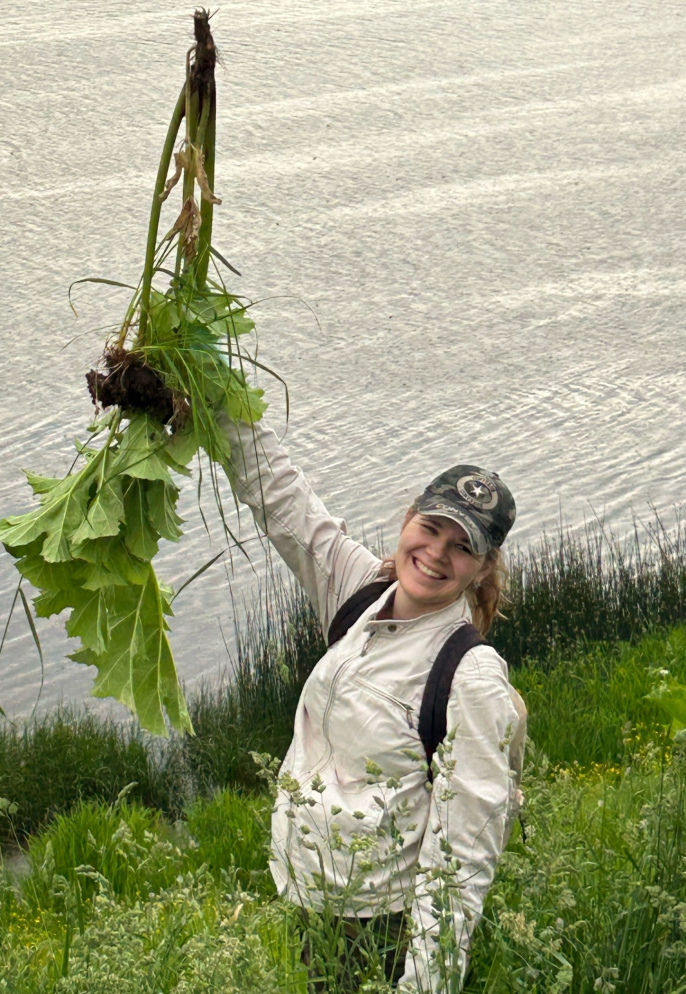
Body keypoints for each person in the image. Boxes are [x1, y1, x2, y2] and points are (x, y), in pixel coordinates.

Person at [221, 411, 527, 993]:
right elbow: (281, 497)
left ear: (483, 568)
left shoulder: (471, 678)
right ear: (409, 517)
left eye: (462, 547)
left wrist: (422, 984)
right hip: (309, 899)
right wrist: (209, 404)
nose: (437, 553)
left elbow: (462, 863)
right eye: (432, 528)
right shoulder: (360, 589)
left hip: (380, 930)